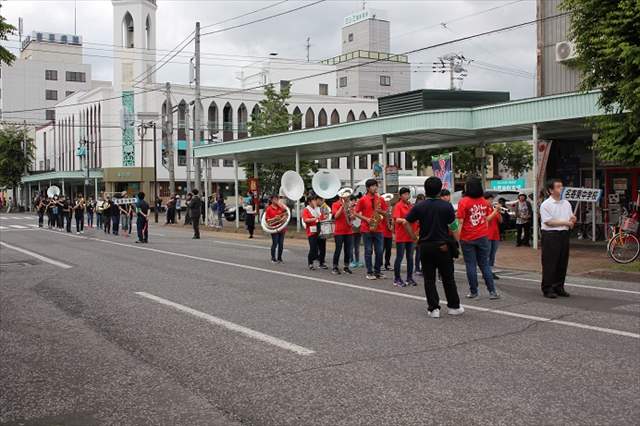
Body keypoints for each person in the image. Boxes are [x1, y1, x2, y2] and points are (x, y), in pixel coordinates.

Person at [401, 176, 463, 318]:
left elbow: (406, 223)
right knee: (448, 278)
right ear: (440, 190)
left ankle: (434, 309)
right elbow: (453, 226)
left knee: (429, 279)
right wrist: (457, 242)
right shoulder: (446, 206)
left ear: (426, 189)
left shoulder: (419, 206)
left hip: (425, 246)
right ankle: (454, 307)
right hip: (443, 246)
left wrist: (414, 238)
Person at [457, 177, 501, 300]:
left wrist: (457, 238)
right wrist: (496, 211)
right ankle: (492, 291)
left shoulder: (463, 202)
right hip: (483, 236)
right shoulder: (484, 201)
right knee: (484, 264)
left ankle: (473, 291)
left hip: (467, 237)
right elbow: (487, 219)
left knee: (470, 265)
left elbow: (460, 221)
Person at [540, 178, 575, 298]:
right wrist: (566, 222)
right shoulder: (546, 204)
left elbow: (570, 218)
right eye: (558, 187)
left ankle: (559, 287)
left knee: (562, 262)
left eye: (562, 186)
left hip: (564, 235)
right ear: (551, 190)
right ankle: (547, 288)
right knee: (550, 262)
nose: (562, 189)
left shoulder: (566, 203)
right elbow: (548, 222)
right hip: (550, 235)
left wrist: (572, 220)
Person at [355, 179, 388, 280]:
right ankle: (369, 272)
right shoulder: (363, 199)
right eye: (373, 186)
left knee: (379, 251)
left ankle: (377, 271)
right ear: (368, 188)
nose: (375, 188)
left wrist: (380, 211)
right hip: (366, 228)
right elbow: (355, 212)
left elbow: (386, 213)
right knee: (368, 250)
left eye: (376, 186)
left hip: (379, 228)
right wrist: (367, 219)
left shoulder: (380, 199)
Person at [393, 187, 416, 287]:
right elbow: (396, 219)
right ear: (400, 195)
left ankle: (409, 278)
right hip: (401, 236)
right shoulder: (398, 206)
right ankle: (397, 279)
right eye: (405, 194)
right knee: (399, 257)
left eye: (408, 194)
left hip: (410, 235)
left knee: (410, 258)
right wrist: (404, 220)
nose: (407, 196)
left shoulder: (411, 205)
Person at [332, 188, 354, 275]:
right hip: (339, 231)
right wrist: (342, 206)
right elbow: (336, 216)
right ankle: (335, 266)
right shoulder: (335, 204)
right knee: (338, 249)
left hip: (349, 230)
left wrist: (352, 216)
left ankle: (346, 266)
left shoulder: (350, 205)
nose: (348, 196)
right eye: (346, 195)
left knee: (348, 250)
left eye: (348, 195)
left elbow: (353, 216)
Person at [303, 195, 326, 270]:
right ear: (309, 202)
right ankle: (310, 263)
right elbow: (306, 220)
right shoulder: (306, 209)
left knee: (322, 248)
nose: (315, 202)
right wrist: (314, 218)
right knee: (313, 248)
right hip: (312, 232)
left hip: (320, 230)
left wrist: (325, 216)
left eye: (315, 200)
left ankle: (321, 263)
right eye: (313, 200)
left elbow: (322, 218)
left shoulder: (318, 209)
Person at [485, 192, 503, 280]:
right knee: (487, 255)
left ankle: (490, 272)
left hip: (495, 235)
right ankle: (486, 273)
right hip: (487, 235)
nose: (492, 201)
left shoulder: (493, 209)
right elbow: (487, 219)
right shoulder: (484, 208)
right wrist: (495, 211)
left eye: (492, 199)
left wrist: (498, 211)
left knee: (492, 255)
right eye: (490, 199)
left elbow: (500, 221)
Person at [265, 195, 287, 263]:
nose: (276, 200)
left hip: (282, 228)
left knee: (281, 244)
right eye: (275, 199)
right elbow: (267, 220)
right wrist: (275, 219)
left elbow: (286, 213)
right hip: (274, 228)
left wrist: (283, 217)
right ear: (271, 200)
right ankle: (273, 258)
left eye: (277, 199)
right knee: (275, 243)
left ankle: (280, 258)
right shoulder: (269, 208)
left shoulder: (280, 207)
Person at [349, 194, 363, 269]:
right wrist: (352, 215)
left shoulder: (358, 208)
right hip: (352, 229)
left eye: (355, 200)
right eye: (353, 200)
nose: (354, 202)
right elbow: (349, 217)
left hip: (358, 229)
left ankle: (357, 261)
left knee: (357, 246)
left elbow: (360, 216)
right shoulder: (349, 208)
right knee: (351, 247)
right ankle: (351, 261)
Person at [414, 193, 426, 276]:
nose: (421, 201)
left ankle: (422, 268)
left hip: (424, 231)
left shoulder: (425, 208)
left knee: (423, 251)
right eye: (420, 199)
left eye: (423, 199)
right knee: (418, 251)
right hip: (417, 231)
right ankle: (417, 268)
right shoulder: (415, 208)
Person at [381, 194, 394, 271]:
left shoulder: (391, 209)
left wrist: (392, 224)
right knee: (381, 250)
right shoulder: (382, 210)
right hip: (382, 231)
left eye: (389, 201)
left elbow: (393, 218)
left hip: (389, 232)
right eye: (386, 201)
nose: (388, 202)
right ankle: (379, 264)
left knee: (388, 250)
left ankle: (387, 264)